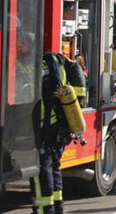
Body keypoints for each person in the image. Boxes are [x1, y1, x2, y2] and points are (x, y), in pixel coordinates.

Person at [31, 53, 86, 214]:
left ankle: (45, 211)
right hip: (60, 125)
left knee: (41, 170)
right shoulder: (55, 59)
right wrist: (79, 100)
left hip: (43, 126)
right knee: (54, 167)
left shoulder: (29, 64)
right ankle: (57, 209)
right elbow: (76, 67)